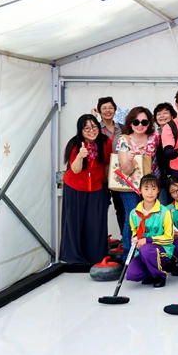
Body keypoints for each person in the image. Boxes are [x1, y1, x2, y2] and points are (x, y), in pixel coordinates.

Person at [60, 114, 112, 267]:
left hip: (97, 186)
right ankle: (74, 258)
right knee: (74, 222)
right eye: (86, 128)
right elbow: (75, 169)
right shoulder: (74, 144)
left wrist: (108, 183)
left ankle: (95, 257)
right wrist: (80, 156)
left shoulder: (104, 142)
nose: (91, 130)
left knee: (96, 223)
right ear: (80, 130)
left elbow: (108, 163)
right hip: (75, 187)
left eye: (94, 126)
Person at [116, 107, 160, 258]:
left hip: (151, 186)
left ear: (149, 123)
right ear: (130, 122)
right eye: (136, 121)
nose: (140, 125)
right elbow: (126, 171)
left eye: (144, 122)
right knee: (132, 216)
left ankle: (149, 253)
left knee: (152, 218)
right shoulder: (124, 140)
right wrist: (128, 158)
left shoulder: (155, 137)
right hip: (131, 187)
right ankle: (128, 255)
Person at [126, 174, 174, 288]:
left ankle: (159, 275)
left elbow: (170, 237)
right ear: (140, 191)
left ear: (158, 191)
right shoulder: (133, 213)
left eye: (153, 188)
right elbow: (134, 231)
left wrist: (147, 240)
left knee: (147, 248)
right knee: (132, 274)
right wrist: (135, 238)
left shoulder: (165, 212)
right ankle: (151, 271)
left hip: (162, 251)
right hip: (142, 252)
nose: (150, 192)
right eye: (146, 189)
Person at [93, 96, 124, 238]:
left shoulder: (122, 129)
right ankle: (99, 242)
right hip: (101, 175)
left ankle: (126, 240)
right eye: (104, 108)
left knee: (120, 208)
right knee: (99, 209)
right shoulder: (94, 129)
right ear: (99, 111)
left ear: (115, 110)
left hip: (119, 176)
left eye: (110, 107)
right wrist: (92, 119)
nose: (107, 111)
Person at [153, 102, 177, 199]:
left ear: (172, 115)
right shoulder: (153, 134)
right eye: (159, 114)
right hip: (159, 175)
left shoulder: (177, 132)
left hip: (174, 173)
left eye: (165, 113)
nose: (162, 116)